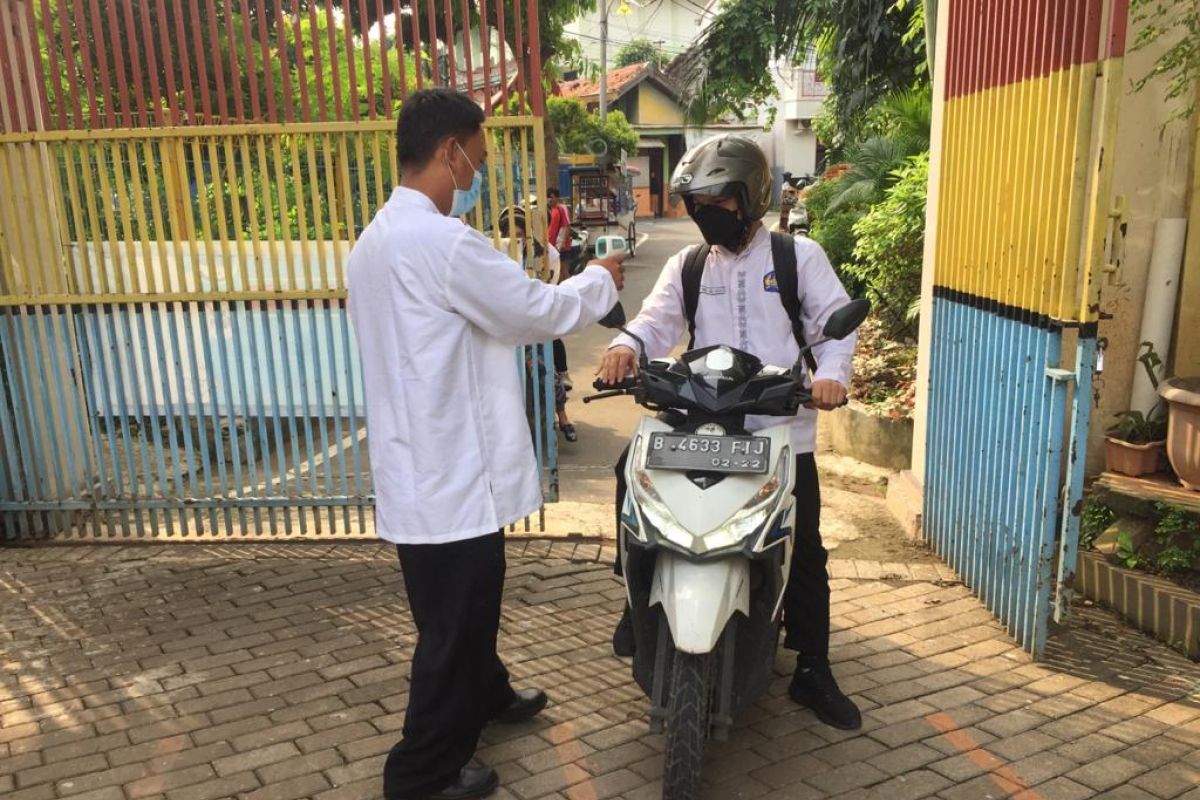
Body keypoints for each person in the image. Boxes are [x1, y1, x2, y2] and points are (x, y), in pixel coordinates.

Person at [347, 87, 624, 800]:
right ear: (449, 149)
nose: (478, 171)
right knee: (451, 627)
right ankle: (422, 772)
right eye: (477, 155)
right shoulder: (441, 243)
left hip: (424, 469)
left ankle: (487, 692)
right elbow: (535, 310)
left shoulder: (374, 240)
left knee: (466, 604)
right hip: (451, 474)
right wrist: (597, 282)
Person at [596, 134, 863, 732]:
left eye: (719, 199)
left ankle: (813, 666)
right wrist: (623, 346)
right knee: (631, 480)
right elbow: (655, 321)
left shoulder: (799, 257)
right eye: (699, 202)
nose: (707, 212)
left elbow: (834, 327)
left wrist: (832, 377)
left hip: (778, 430)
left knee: (807, 550)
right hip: (700, 421)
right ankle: (636, 601)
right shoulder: (688, 265)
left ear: (751, 197)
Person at [497, 206, 578, 443]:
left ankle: (563, 417)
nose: (516, 241)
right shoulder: (493, 251)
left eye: (520, 235)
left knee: (544, 371)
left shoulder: (545, 253)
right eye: (510, 236)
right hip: (504, 325)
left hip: (534, 322)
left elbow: (548, 290)